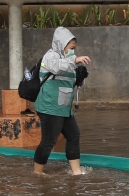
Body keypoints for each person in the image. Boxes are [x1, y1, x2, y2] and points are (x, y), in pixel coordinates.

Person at [33, 27, 91, 175]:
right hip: (50, 107)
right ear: (61, 44)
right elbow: (57, 68)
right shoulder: (50, 56)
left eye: (74, 48)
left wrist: (80, 77)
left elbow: (70, 83)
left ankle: (77, 172)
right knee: (48, 141)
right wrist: (74, 60)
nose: (73, 51)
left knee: (73, 135)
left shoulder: (69, 60)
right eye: (71, 48)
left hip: (64, 108)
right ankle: (37, 173)